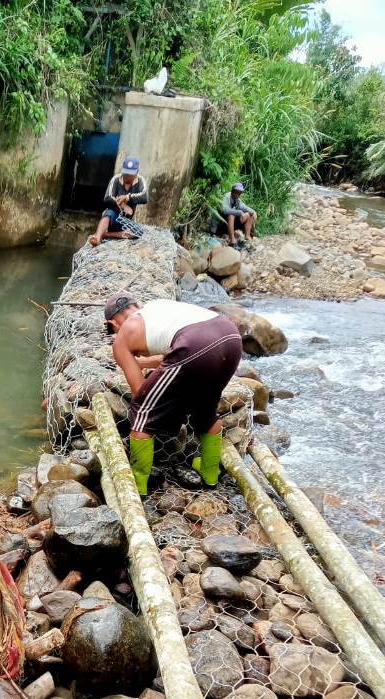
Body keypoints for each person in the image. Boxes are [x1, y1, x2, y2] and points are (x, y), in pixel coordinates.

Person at [104, 292, 242, 496]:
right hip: (230, 337)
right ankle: (209, 473)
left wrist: (156, 413)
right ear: (135, 306)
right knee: (204, 407)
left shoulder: (122, 337)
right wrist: (142, 363)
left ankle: (138, 484)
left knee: (142, 410)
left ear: (113, 323)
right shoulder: (157, 308)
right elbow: (178, 358)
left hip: (195, 344)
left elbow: (139, 391)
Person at [89, 157, 148, 247]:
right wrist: (123, 205)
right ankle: (97, 238)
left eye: (130, 174)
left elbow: (144, 197)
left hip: (126, 221)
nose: (127, 175)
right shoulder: (116, 179)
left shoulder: (140, 181)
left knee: (138, 233)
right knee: (108, 213)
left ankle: (106, 235)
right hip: (113, 216)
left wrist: (128, 197)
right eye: (126, 173)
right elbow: (107, 197)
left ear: (136, 173)